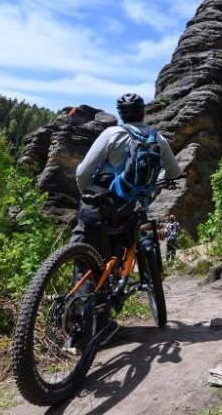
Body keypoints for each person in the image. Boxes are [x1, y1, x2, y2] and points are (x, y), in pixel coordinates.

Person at [71, 93, 181, 345]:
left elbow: (82, 173)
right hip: (130, 210)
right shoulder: (158, 138)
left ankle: (79, 334)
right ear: (143, 113)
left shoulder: (112, 134)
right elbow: (174, 171)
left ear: (121, 114)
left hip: (98, 208)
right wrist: (156, 179)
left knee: (85, 265)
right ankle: (102, 321)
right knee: (115, 261)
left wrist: (86, 195)